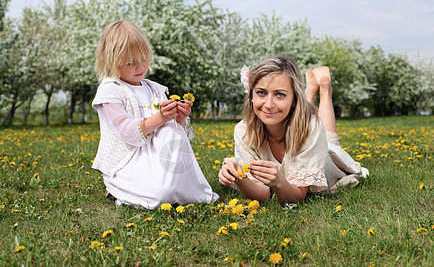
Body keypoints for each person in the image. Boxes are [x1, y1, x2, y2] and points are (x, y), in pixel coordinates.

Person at [91, 20, 219, 209]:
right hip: (128, 160)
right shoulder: (111, 90)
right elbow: (126, 131)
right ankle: (127, 190)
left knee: (169, 129)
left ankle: (175, 186)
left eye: (144, 58)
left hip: (160, 159)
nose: (140, 66)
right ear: (111, 62)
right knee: (161, 194)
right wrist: (161, 118)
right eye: (130, 62)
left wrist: (179, 119)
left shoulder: (154, 88)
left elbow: (174, 136)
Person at [218, 55, 369, 205]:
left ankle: (325, 89)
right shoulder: (243, 130)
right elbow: (262, 195)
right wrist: (238, 177)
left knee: (329, 140)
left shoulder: (312, 127)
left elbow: (295, 197)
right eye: (261, 92)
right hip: (298, 126)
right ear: (251, 95)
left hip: (325, 157)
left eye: (280, 94)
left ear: (295, 100)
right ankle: (309, 91)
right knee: (304, 118)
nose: (269, 104)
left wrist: (278, 181)